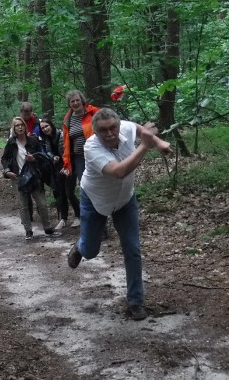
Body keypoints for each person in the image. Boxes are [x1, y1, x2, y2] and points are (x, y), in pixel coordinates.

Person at [67, 108, 172, 321]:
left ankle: (135, 301)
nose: (110, 133)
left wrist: (158, 143)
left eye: (113, 127)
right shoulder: (91, 147)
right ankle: (80, 247)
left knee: (132, 248)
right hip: (96, 200)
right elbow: (119, 171)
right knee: (91, 251)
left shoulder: (125, 127)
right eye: (103, 130)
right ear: (95, 131)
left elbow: (140, 129)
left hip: (125, 199)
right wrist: (146, 145)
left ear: (118, 124)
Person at [1, 117, 58, 240]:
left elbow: (41, 157)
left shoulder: (33, 140)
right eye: (17, 125)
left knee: (42, 203)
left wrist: (34, 159)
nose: (20, 127)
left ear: (25, 126)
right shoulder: (11, 143)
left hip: (34, 176)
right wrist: (7, 171)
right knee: (23, 206)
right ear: (14, 128)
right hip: (18, 177)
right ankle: (28, 231)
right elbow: (4, 159)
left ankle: (47, 228)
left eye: (22, 125)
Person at [60, 90, 100, 228]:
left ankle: (100, 225)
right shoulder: (68, 119)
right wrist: (66, 163)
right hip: (76, 159)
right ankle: (88, 221)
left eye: (77, 100)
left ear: (82, 100)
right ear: (69, 104)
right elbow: (66, 143)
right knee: (78, 190)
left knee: (92, 189)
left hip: (93, 156)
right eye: (72, 101)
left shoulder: (93, 112)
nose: (75, 103)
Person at [39, 118, 68, 230]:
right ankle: (63, 218)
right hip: (57, 167)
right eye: (43, 128)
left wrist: (65, 165)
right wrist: (52, 156)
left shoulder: (61, 134)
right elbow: (48, 150)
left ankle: (78, 215)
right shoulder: (46, 139)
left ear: (51, 125)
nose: (45, 129)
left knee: (69, 192)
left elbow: (66, 150)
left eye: (47, 126)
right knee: (60, 192)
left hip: (67, 165)